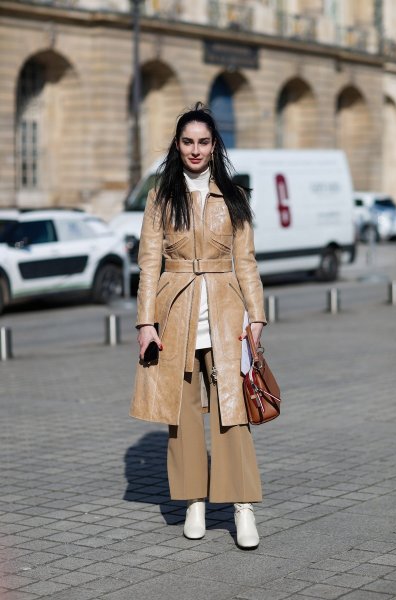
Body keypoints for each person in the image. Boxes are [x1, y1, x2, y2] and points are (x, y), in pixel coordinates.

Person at [130, 102, 267, 549]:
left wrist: (257, 315)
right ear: (177, 144)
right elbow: (148, 262)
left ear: (214, 145)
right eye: (187, 141)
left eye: (203, 142)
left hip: (227, 312)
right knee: (182, 414)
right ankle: (193, 501)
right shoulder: (161, 196)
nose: (195, 150)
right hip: (175, 312)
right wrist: (145, 323)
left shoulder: (234, 196)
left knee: (234, 410)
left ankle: (242, 507)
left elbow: (246, 262)